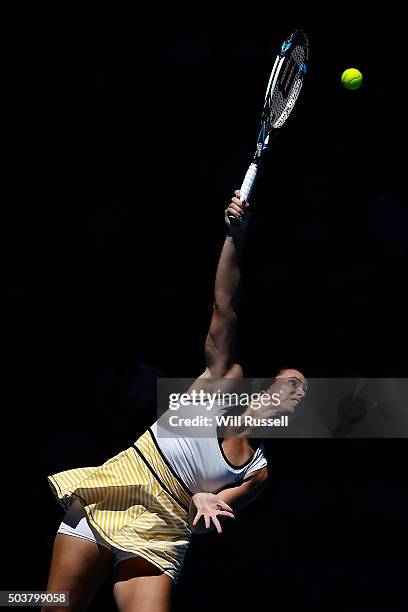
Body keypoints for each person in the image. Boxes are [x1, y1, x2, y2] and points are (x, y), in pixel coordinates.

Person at [42, 191, 307, 612]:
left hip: (164, 530)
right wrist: (235, 237)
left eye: (302, 396)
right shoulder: (221, 382)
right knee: (54, 604)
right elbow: (225, 307)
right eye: (291, 383)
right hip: (123, 482)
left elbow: (211, 518)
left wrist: (201, 502)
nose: (296, 394)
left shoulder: (258, 471)